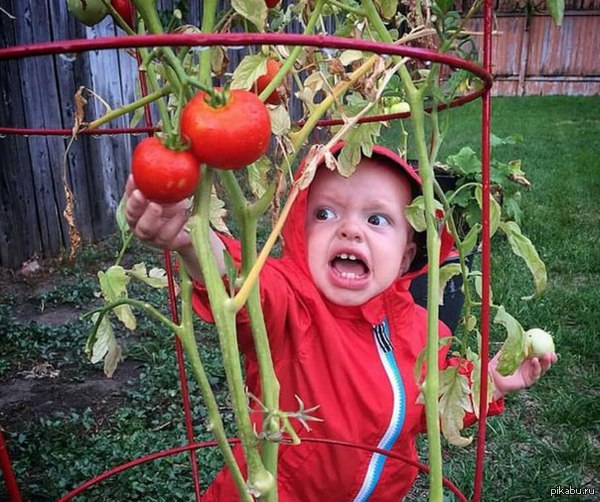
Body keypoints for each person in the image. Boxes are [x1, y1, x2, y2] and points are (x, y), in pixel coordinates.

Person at [125, 142, 556, 501]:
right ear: (298, 229)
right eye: (326, 214)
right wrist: (192, 241)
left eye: (376, 219)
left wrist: (491, 382)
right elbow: (240, 285)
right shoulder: (290, 301)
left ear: (408, 253)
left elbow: (435, 401)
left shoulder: (427, 331)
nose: (350, 230)